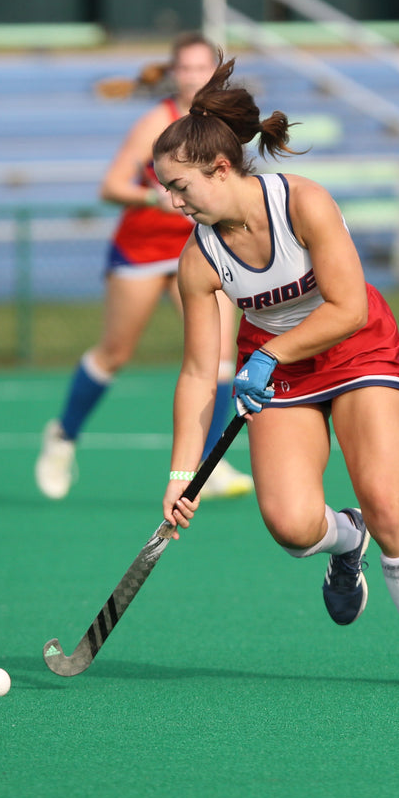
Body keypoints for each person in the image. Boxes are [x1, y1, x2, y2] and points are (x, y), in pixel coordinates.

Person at [153, 58, 399, 689]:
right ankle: (346, 541)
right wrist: (184, 474)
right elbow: (193, 375)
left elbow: (347, 309)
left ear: (220, 167)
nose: (172, 201)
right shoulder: (198, 260)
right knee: (291, 525)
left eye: (180, 186)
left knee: (384, 497)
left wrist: (269, 355)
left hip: (354, 348)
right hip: (279, 366)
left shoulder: (304, 203)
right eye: (166, 189)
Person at [35, 33, 254, 501]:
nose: (194, 77)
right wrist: (152, 196)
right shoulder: (156, 122)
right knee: (114, 353)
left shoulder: (220, 125)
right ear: (173, 73)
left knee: (217, 358)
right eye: (187, 68)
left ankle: (207, 464)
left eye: (202, 68)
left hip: (198, 251)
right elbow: (111, 185)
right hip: (142, 248)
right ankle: (63, 436)